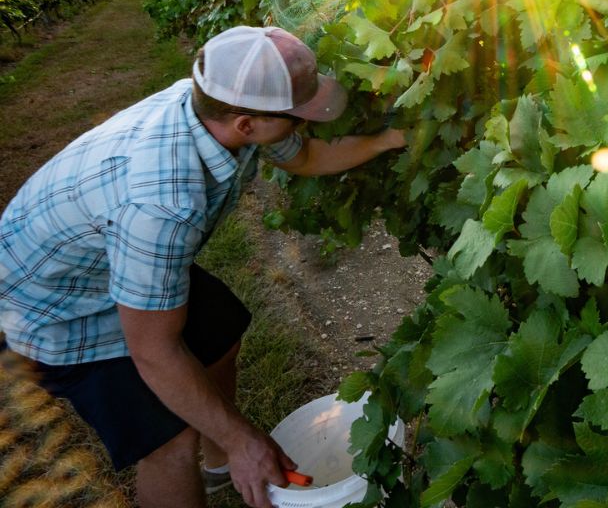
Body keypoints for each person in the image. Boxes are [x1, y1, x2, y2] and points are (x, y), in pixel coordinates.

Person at [0, 25, 407, 508]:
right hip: (55, 308)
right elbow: (152, 348)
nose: (305, 124)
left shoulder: (216, 105)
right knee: (168, 442)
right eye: (295, 116)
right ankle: (223, 455)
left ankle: (219, 470)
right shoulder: (166, 203)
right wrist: (243, 440)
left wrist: (389, 140)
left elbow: (307, 156)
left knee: (221, 332)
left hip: (106, 262)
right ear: (246, 125)